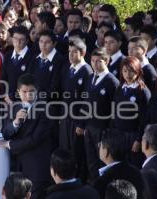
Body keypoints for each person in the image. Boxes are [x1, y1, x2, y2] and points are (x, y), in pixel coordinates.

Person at [0, 74, 53, 199]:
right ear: (18, 92)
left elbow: (34, 140)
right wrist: (16, 122)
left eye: (31, 92)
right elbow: (5, 132)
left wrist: (8, 144)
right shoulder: (15, 107)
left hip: (37, 169)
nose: (28, 95)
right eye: (24, 92)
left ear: (37, 92)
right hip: (18, 167)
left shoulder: (46, 110)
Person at [78, 47, 119, 181]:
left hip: (103, 128)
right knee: (91, 161)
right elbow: (86, 102)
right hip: (89, 127)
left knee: (103, 162)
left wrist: (109, 130)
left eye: (99, 61)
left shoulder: (112, 81)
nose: (95, 64)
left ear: (106, 61)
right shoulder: (90, 78)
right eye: (93, 60)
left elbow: (115, 108)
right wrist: (82, 124)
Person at [59, 38, 93, 182]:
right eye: (69, 52)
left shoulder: (87, 71)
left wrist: (81, 123)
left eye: (74, 52)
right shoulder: (68, 68)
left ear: (83, 53)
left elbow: (87, 101)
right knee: (64, 152)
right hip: (66, 119)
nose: (71, 55)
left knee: (76, 155)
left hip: (77, 121)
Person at [110, 56, 151, 168]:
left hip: (133, 136)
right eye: (125, 71)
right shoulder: (120, 88)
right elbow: (114, 111)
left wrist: (138, 139)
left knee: (133, 166)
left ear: (138, 71)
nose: (128, 74)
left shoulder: (142, 91)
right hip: (119, 134)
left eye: (131, 71)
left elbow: (144, 118)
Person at [93, 129, 147, 199]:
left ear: (106, 152)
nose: (98, 147)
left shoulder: (102, 182)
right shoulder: (137, 173)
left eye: (100, 144)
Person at [1, 25, 32, 103]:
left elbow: (29, 82)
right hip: (7, 100)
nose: (18, 42)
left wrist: (14, 97)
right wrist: (6, 96)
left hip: (24, 101)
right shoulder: (8, 55)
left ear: (27, 40)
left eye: (21, 39)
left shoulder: (32, 57)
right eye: (15, 38)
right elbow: (3, 78)